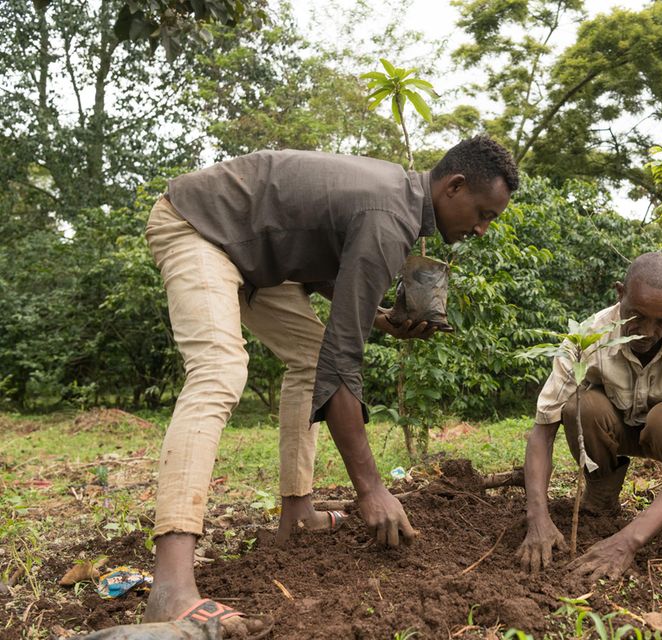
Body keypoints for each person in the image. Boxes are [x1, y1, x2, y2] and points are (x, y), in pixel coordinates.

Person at [141, 136, 519, 634]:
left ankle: (297, 514)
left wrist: (382, 317)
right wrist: (372, 489)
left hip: (254, 255)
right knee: (219, 369)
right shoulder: (390, 217)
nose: (483, 228)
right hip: (202, 227)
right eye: (484, 212)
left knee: (310, 354)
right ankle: (171, 588)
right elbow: (344, 363)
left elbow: (310, 251)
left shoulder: (396, 202)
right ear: (453, 186)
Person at [516, 252, 662, 583]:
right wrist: (537, 518)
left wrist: (627, 542)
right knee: (578, 407)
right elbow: (542, 432)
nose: (647, 332)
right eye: (636, 317)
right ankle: (602, 491)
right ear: (620, 293)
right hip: (612, 427)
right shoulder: (587, 337)